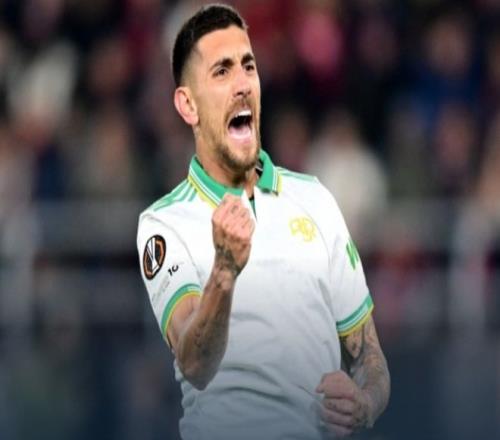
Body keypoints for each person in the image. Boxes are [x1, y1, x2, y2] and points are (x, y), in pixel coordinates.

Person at [137, 4, 390, 439]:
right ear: (188, 105)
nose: (241, 84)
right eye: (221, 71)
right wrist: (224, 273)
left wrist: (364, 402)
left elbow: (370, 358)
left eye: (248, 66)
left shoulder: (315, 199)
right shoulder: (163, 224)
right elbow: (194, 364)